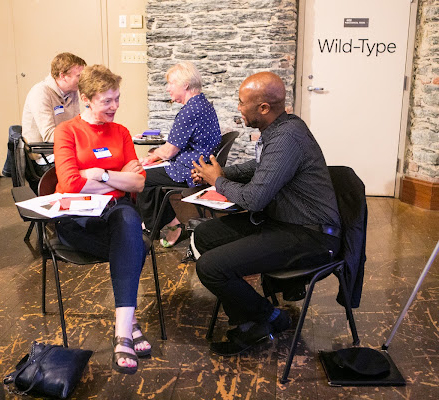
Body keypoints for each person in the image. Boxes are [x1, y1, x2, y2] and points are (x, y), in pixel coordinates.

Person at [190, 72, 341, 356]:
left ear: (263, 109)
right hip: (285, 222)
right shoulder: (279, 129)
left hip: (311, 234)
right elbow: (258, 166)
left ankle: (268, 319)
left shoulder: (287, 137)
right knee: (205, 234)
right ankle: (250, 319)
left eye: (241, 102)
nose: (238, 107)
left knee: (211, 267)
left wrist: (217, 181)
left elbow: (255, 199)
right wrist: (219, 173)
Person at [54, 65, 150, 375]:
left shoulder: (120, 132)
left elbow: (139, 183)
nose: (114, 106)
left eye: (117, 99)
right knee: (134, 244)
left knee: (126, 218)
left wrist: (101, 174)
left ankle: (122, 331)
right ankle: (130, 324)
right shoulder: (67, 131)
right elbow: (70, 184)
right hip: (76, 218)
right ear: (86, 99)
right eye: (107, 101)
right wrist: (120, 177)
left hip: (113, 213)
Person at [137, 61, 220, 247]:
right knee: (152, 177)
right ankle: (168, 223)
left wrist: (149, 158)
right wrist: (155, 156)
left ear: (185, 85)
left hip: (190, 170)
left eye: (171, 83)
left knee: (140, 176)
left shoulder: (190, 110)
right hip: (200, 164)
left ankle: (156, 227)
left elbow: (169, 151)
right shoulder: (204, 104)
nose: (168, 89)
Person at [21, 52, 86, 176]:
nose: (82, 80)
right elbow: (49, 135)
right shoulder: (40, 93)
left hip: (65, 149)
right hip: (45, 155)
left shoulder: (72, 91)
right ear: (63, 76)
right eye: (79, 76)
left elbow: (77, 124)